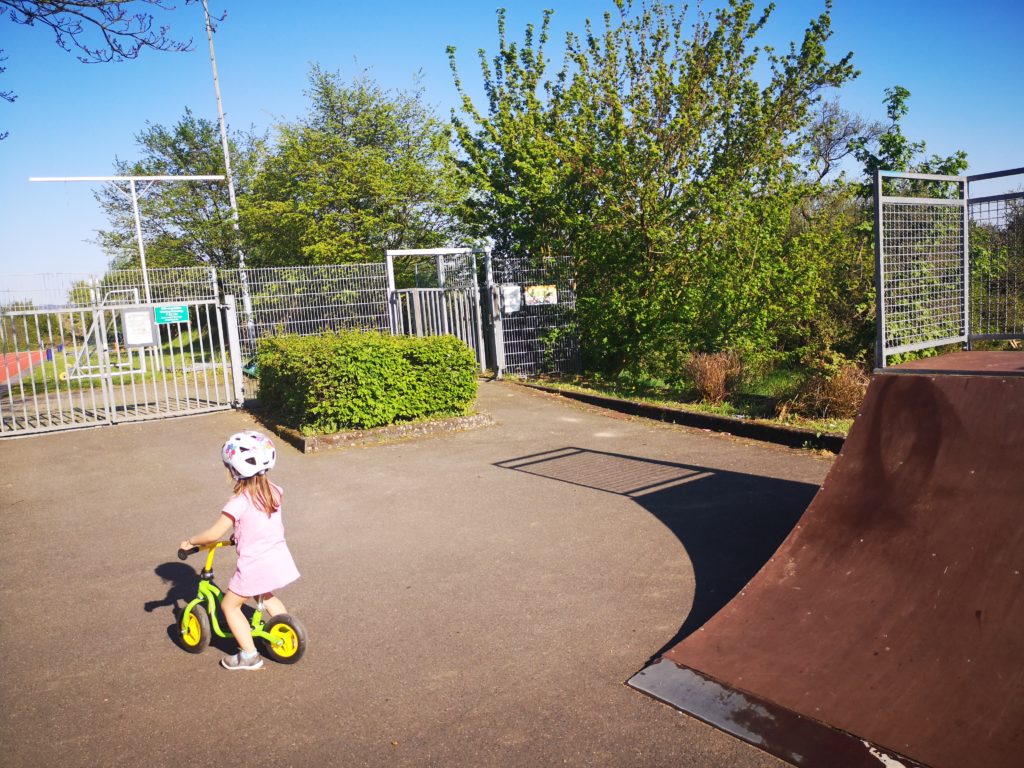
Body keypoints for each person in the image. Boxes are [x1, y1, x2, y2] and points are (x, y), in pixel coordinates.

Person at [180, 430, 300, 671]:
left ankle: (249, 655)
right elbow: (261, 522)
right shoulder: (274, 490)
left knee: (229, 605)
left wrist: (191, 542)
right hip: (278, 557)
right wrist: (241, 533)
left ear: (234, 471)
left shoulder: (239, 502)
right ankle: (284, 630)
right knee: (265, 595)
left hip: (255, 564)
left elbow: (214, 534)